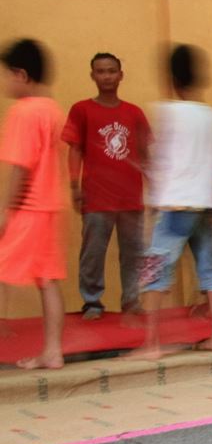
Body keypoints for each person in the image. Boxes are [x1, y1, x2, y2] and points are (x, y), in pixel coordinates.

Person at [133, 44, 212, 359]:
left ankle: (152, 343)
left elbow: (163, 161)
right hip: (205, 202)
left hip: (175, 204)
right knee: (209, 270)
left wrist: (151, 194)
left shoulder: (167, 111)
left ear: (172, 78)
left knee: (155, 270)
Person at [62, 52, 151, 321]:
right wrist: (74, 186)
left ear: (121, 75)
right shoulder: (81, 110)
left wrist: (154, 186)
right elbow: (75, 149)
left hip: (130, 197)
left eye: (111, 71)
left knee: (133, 253)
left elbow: (145, 154)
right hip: (97, 196)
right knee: (93, 251)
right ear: (92, 76)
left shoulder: (134, 112)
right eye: (100, 71)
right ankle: (92, 302)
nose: (107, 76)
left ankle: (132, 301)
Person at [0, 39, 66, 369]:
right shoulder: (51, 108)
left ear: (21, 74)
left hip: (28, 208)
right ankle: (53, 351)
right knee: (47, 280)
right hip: (50, 206)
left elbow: (20, 168)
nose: (5, 83)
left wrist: (4, 212)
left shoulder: (23, 111)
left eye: (6, 76)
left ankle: (51, 351)